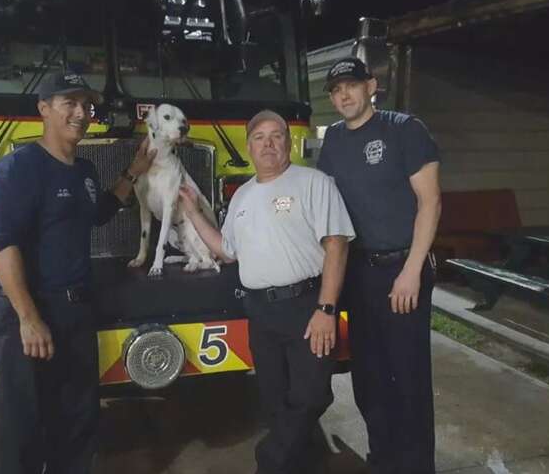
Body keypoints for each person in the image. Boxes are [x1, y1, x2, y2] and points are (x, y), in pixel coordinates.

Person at [0, 73, 154, 474]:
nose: (81, 113)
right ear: (44, 109)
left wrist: (133, 171)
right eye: (69, 104)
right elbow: (2, 245)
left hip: (75, 313)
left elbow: (97, 214)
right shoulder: (18, 168)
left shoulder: (84, 172)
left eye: (86, 106)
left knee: (78, 423)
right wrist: (28, 318)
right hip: (25, 315)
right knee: (22, 432)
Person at [178, 110, 355, 474]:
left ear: (288, 142)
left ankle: (269, 463)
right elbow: (227, 250)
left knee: (310, 395)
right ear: (250, 145)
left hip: (307, 306)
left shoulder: (314, 182)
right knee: (275, 401)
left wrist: (326, 308)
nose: (269, 144)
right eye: (260, 137)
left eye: (277, 135)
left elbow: (337, 244)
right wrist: (194, 212)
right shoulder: (242, 196)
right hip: (261, 311)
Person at [316, 57, 442, 474]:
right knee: (368, 378)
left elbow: (430, 202)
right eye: (335, 90)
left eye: (351, 85)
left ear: (371, 85)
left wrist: (411, 270)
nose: (343, 95)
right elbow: (326, 206)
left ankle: (416, 466)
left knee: (407, 378)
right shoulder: (333, 139)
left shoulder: (405, 129)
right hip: (358, 273)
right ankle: (383, 460)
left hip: (402, 268)